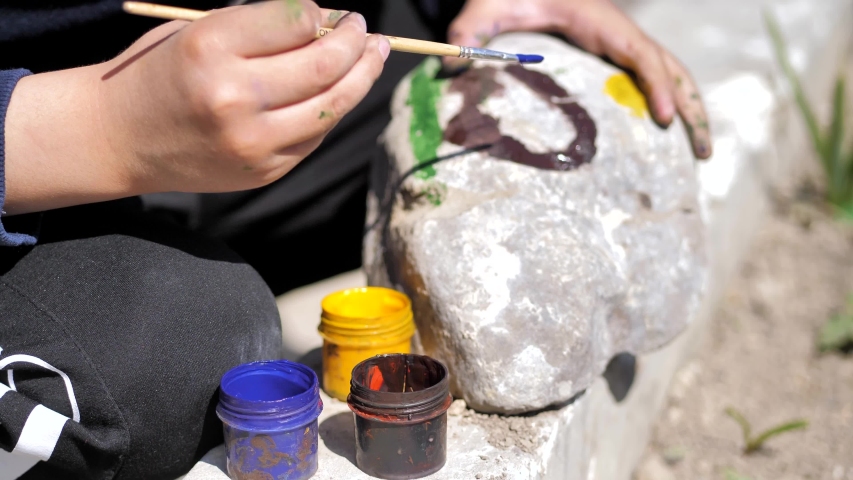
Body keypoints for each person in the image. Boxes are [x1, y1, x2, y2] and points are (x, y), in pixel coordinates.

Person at [0, 0, 712, 478]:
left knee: (464, 100)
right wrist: (101, 129)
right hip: (40, 150)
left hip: (214, 98)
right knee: (165, 354)